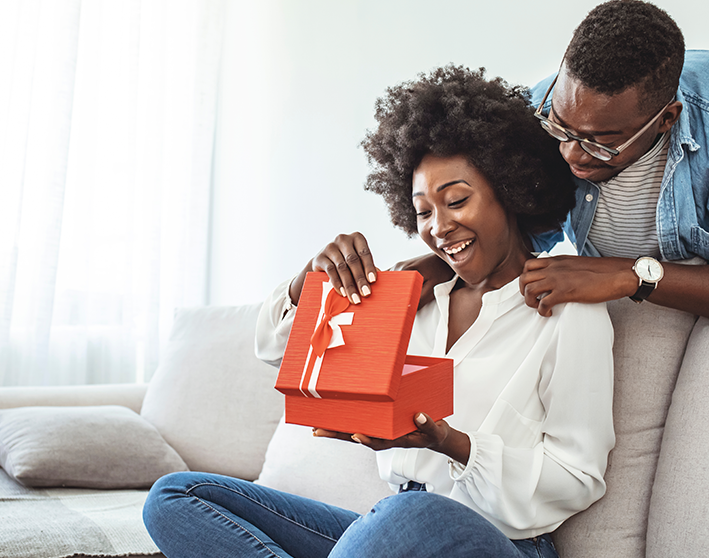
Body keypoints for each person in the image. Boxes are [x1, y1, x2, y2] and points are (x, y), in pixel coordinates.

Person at [142, 65, 615, 558]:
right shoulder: (413, 297)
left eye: (456, 201)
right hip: (388, 535)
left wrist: (451, 444)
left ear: (511, 192)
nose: (439, 228)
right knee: (175, 496)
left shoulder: (565, 313)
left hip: (497, 541)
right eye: (423, 212)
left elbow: (577, 477)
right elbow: (275, 354)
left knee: (412, 512)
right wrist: (313, 282)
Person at [384, 0, 709, 322]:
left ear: (665, 120)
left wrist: (633, 276)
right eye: (562, 127)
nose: (570, 153)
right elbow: (518, 227)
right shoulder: (534, 113)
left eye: (600, 143)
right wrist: (445, 263)